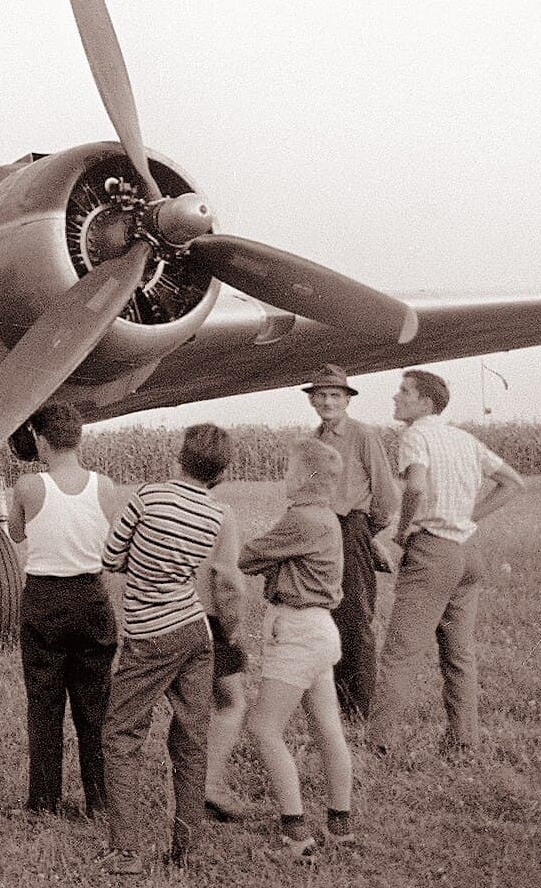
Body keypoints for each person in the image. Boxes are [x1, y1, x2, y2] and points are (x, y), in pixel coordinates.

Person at [368, 368, 528, 755]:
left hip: (432, 550)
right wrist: (470, 516)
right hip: (467, 552)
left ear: (425, 402)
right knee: (459, 654)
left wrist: (404, 531)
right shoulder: (465, 438)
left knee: (400, 653)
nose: (395, 397)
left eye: (403, 391)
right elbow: (513, 482)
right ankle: (463, 740)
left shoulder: (415, 435)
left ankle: (379, 744)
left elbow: (417, 485)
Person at [98, 424, 229, 875]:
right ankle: (186, 849)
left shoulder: (150, 496)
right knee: (192, 741)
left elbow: (111, 557)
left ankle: (126, 852)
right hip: (196, 631)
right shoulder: (215, 513)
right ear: (220, 472)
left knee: (121, 735)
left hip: (150, 633)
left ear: (180, 456)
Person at [238, 438, 356, 862]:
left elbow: (248, 558)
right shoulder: (325, 518)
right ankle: (339, 825)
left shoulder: (302, 519)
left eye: (288, 470)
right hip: (320, 631)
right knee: (327, 728)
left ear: (306, 477)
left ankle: (296, 837)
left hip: (298, 630)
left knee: (264, 728)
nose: (284, 477)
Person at [5, 403, 117, 818]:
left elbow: (16, 533)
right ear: (78, 438)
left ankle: (44, 801)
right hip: (92, 597)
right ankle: (100, 800)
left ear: (40, 440)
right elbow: (112, 542)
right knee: (95, 704)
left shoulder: (29, 487)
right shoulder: (103, 486)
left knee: (44, 702)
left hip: (45, 599)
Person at [300, 364, 398, 723]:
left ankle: (358, 710)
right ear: (312, 400)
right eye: (321, 395)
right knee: (326, 614)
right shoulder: (315, 440)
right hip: (320, 532)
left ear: (347, 400)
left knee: (355, 617)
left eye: (335, 396)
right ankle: (337, 703)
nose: (328, 402)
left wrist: (364, 533)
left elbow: (386, 494)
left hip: (351, 527)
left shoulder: (361, 435)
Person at [200, 490, 252, 825]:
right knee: (231, 702)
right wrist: (235, 626)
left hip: (167, 616)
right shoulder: (222, 513)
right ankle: (209, 784)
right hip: (210, 621)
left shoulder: (155, 502)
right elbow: (227, 578)